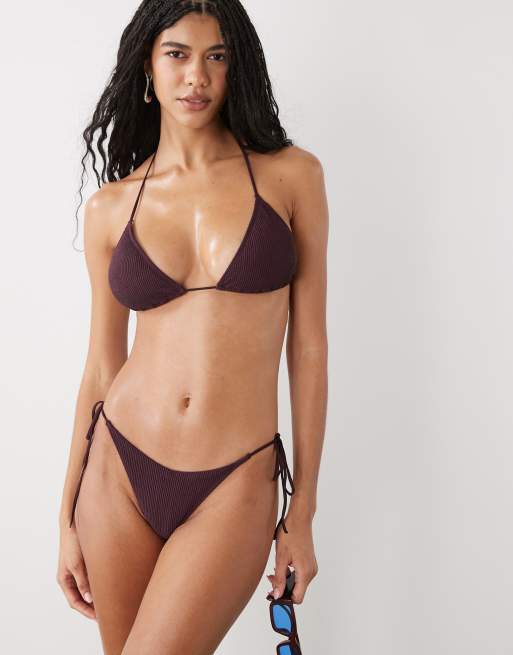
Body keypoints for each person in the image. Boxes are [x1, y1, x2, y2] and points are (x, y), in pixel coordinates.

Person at [56, 1, 328, 653]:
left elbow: (310, 348)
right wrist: (65, 514)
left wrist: (302, 510)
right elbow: (102, 365)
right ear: (148, 68)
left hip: (234, 477)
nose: (196, 76)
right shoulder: (111, 207)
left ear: (237, 69)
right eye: (177, 54)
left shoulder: (291, 176)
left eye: (216, 57)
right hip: (119, 469)